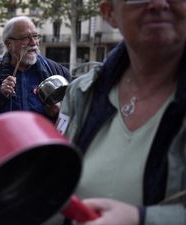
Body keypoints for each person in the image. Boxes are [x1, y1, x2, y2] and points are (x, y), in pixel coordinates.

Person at [54, 0, 186, 224]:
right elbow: (55, 187)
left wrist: (142, 219)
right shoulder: (81, 92)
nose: (159, 4)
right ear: (109, 13)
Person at [0, 16, 71, 122]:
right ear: (9, 44)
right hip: (4, 139)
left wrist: (58, 112)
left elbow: (78, 112)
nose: (33, 43)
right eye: (25, 38)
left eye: (35, 36)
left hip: (43, 139)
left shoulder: (57, 71)